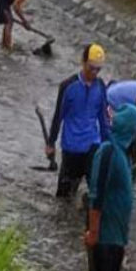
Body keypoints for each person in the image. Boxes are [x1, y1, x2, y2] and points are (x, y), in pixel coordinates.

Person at [70, 103, 136, 271]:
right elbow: (96, 194)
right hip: (104, 234)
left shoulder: (124, 154)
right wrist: (93, 232)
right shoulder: (108, 151)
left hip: (117, 235)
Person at [46, 44, 110, 198]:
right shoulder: (68, 86)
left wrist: (109, 144)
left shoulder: (101, 86)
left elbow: (103, 118)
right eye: (91, 68)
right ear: (83, 61)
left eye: (98, 69)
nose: (94, 73)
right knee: (63, 196)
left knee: (95, 194)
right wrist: (50, 143)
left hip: (93, 146)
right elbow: (58, 116)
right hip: (71, 147)